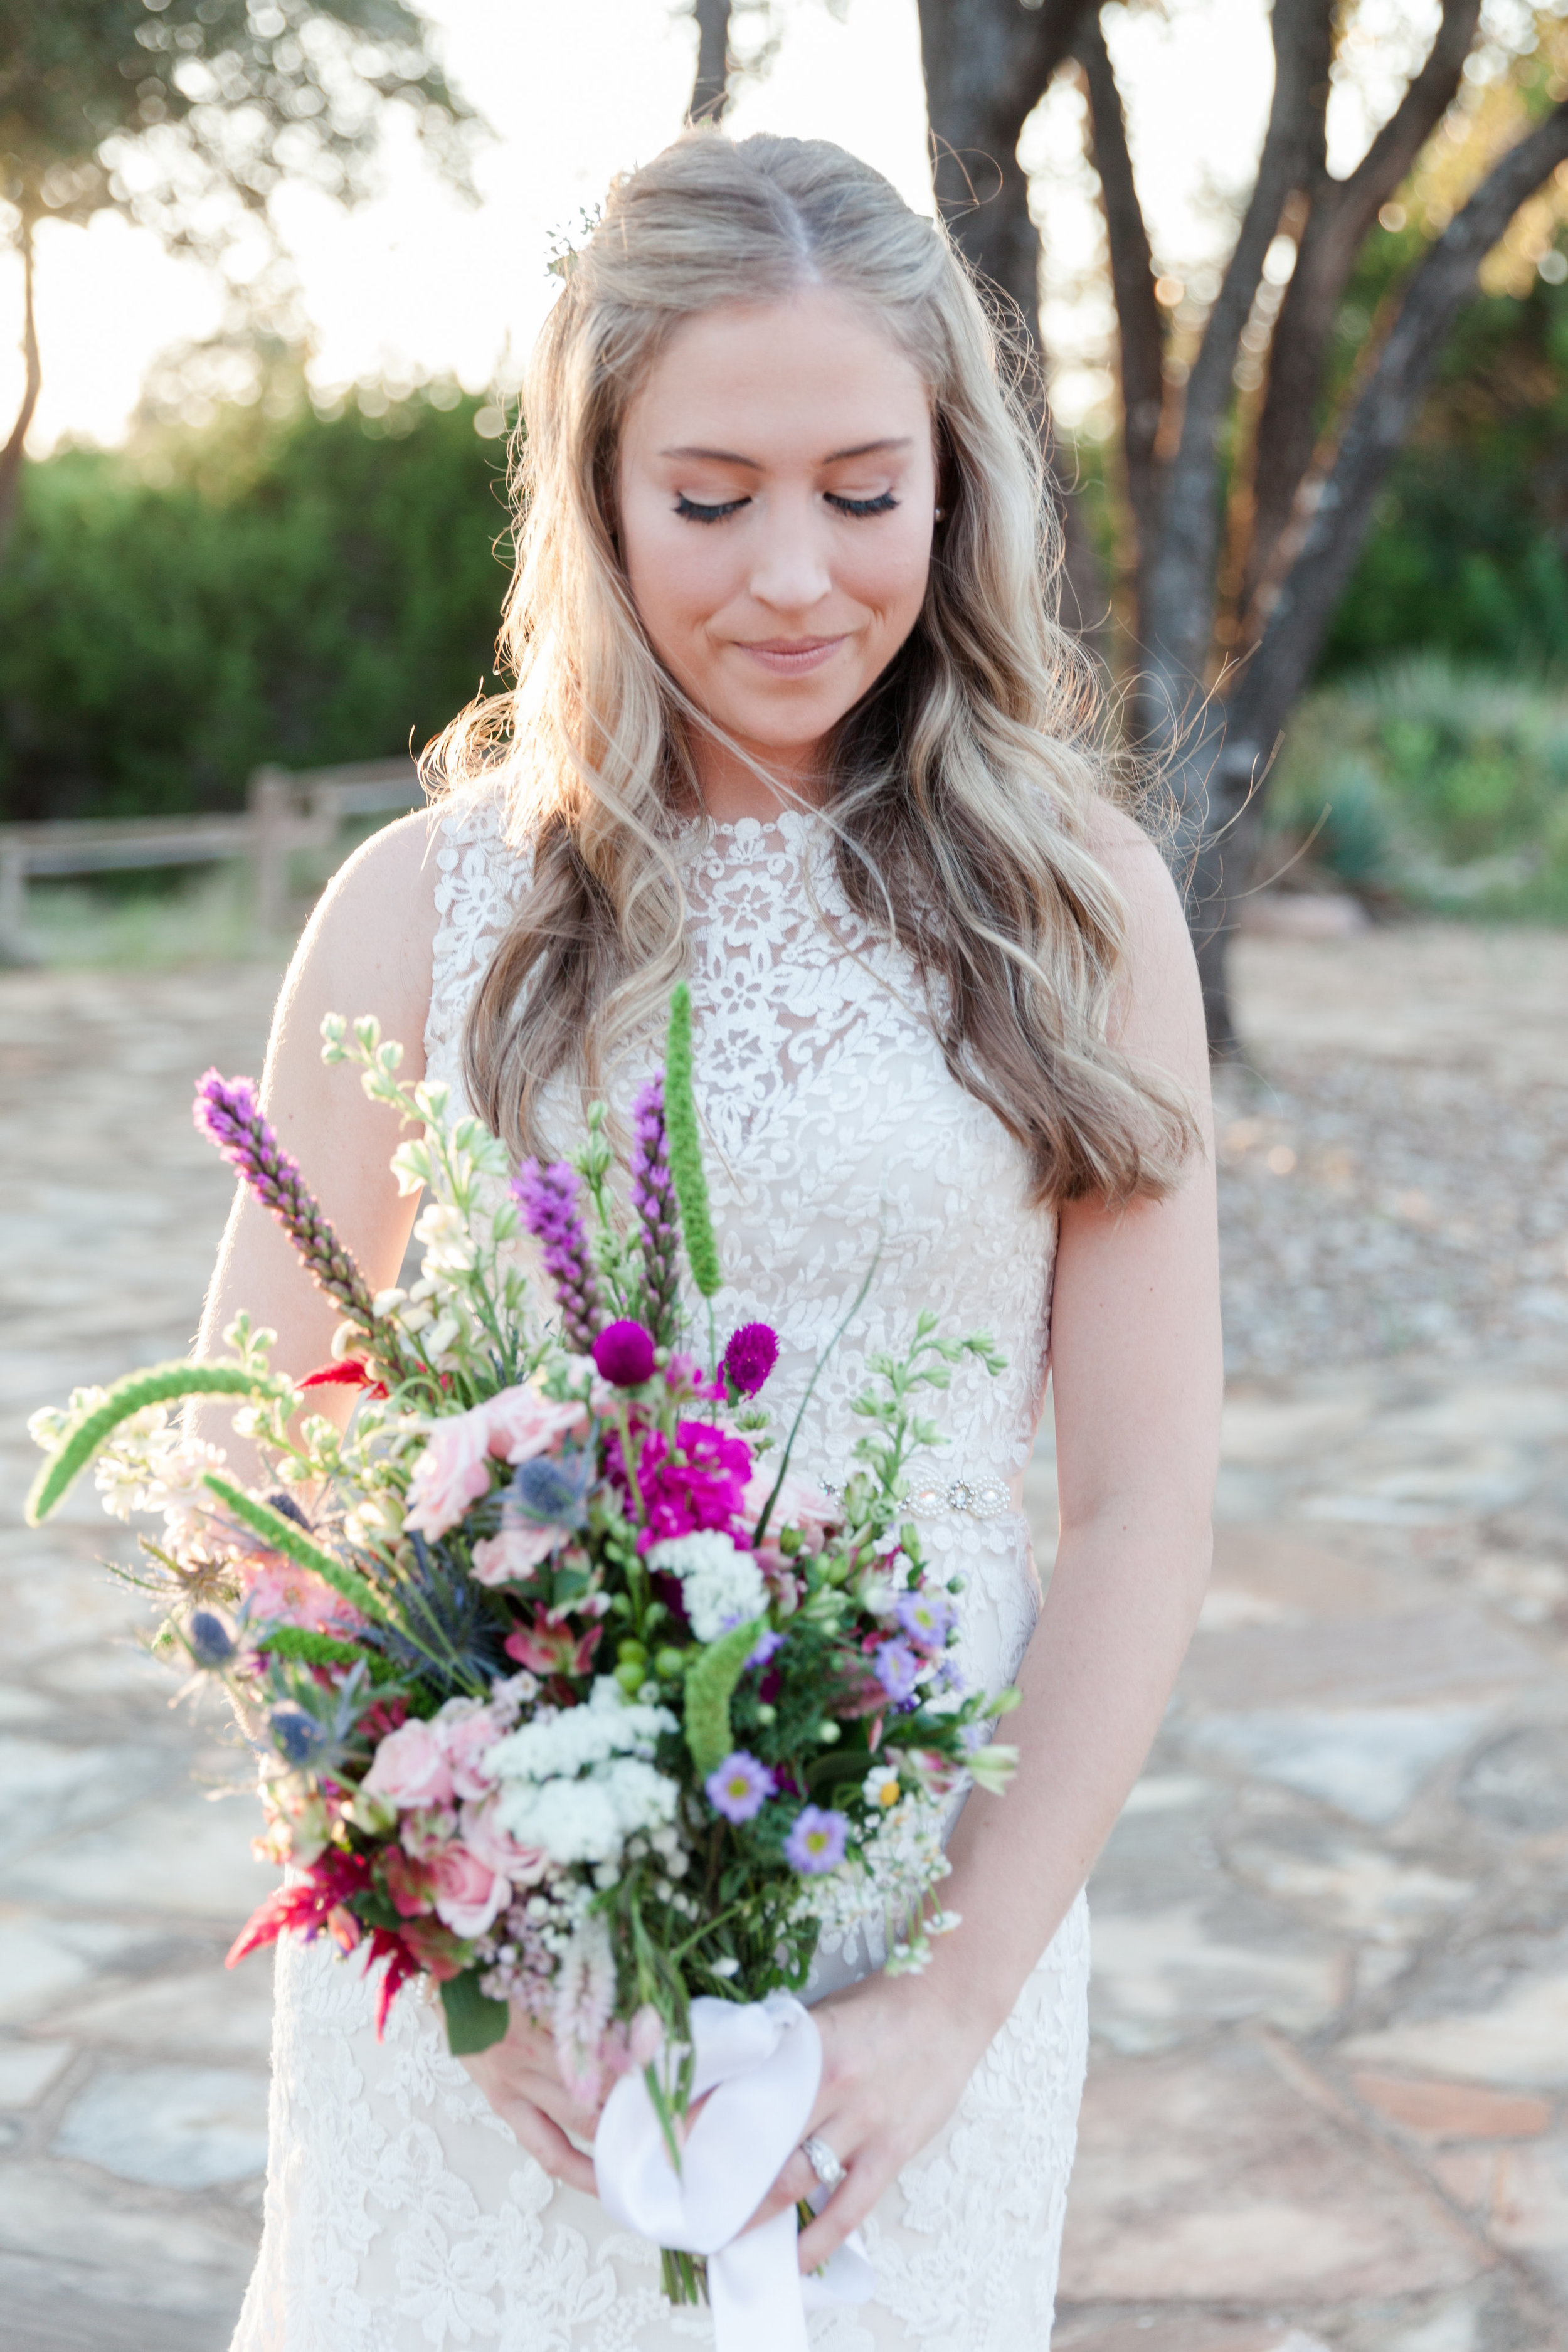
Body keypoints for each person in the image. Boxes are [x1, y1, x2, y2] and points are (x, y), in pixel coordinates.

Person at [214, 130, 1220, 2352]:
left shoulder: (1074, 910)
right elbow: (252, 1493)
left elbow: (1143, 1503)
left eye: (864, 492)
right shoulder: (421, 908)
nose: (792, 575)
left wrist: (952, 2006)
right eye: (710, 494)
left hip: (905, 1934)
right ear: (591, 491)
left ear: (954, 490)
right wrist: (453, 1975)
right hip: (498, 1973)